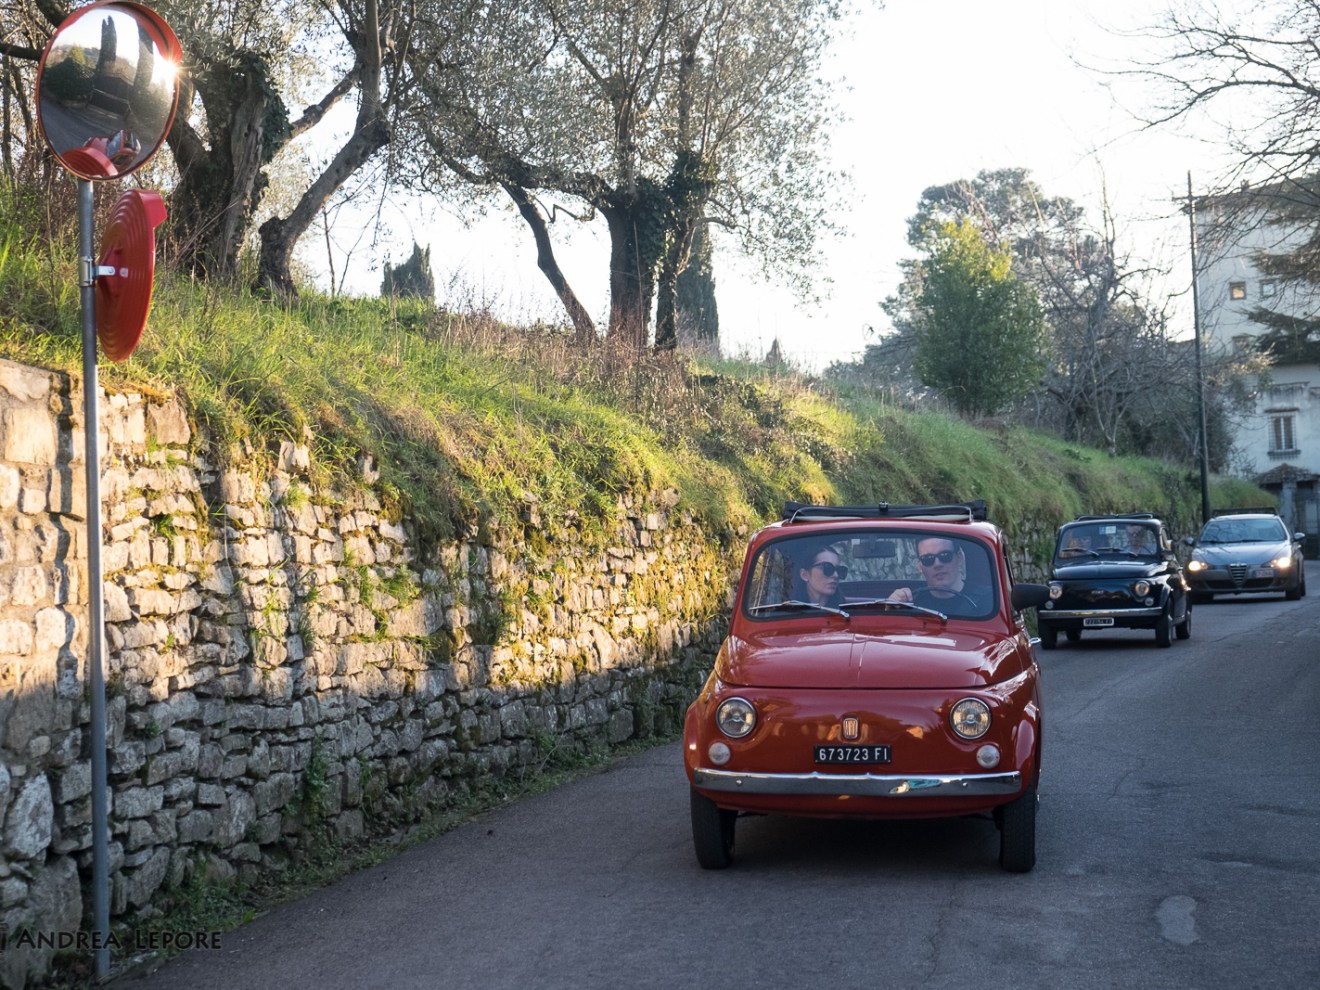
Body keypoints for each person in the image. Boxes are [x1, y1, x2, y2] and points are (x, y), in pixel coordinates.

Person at [891, 537, 989, 613]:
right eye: (928, 559)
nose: (937, 564)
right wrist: (890, 606)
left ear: (959, 558)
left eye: (945, 556)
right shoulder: (910, 604)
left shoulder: (988, 601)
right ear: (920, 566)